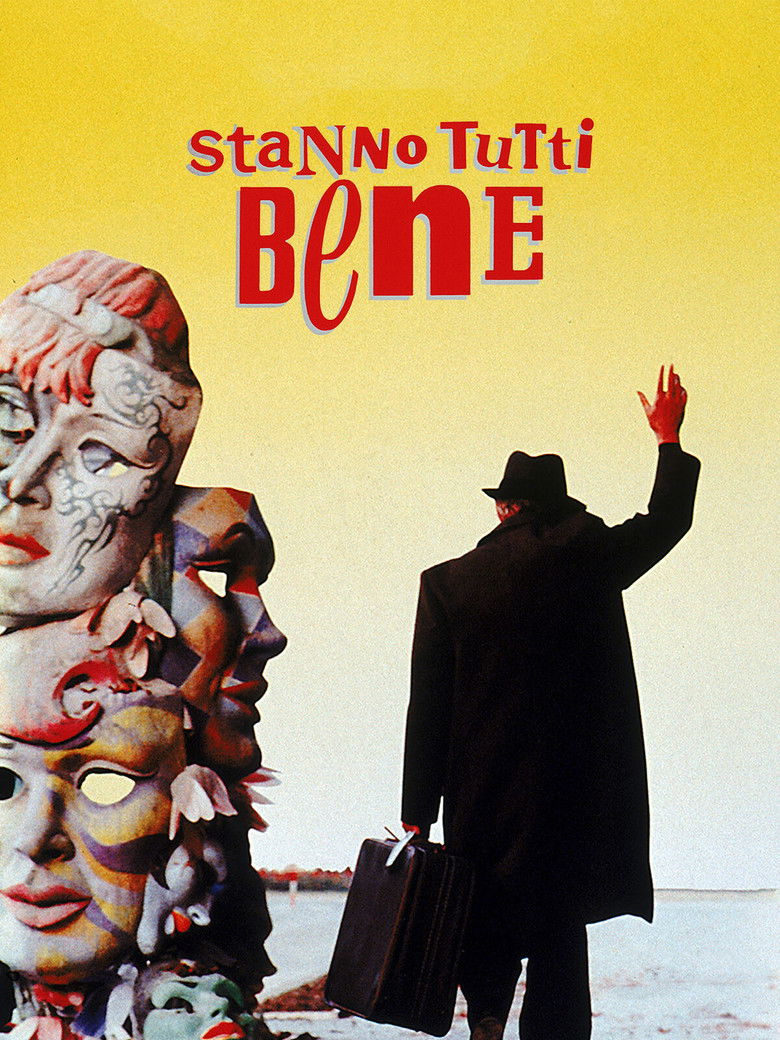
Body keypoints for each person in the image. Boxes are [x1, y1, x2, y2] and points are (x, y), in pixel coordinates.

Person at [401, 367, 700, 1040]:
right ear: (556, 507)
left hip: (479, 796)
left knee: (486, 920)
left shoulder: (447, 584)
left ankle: (485, 1022)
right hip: (568, 799)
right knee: (559, 936)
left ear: (503, 508)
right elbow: (668, 519)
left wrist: (417, 812)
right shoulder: (587, 554)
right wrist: (668, 437)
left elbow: (429, 709)